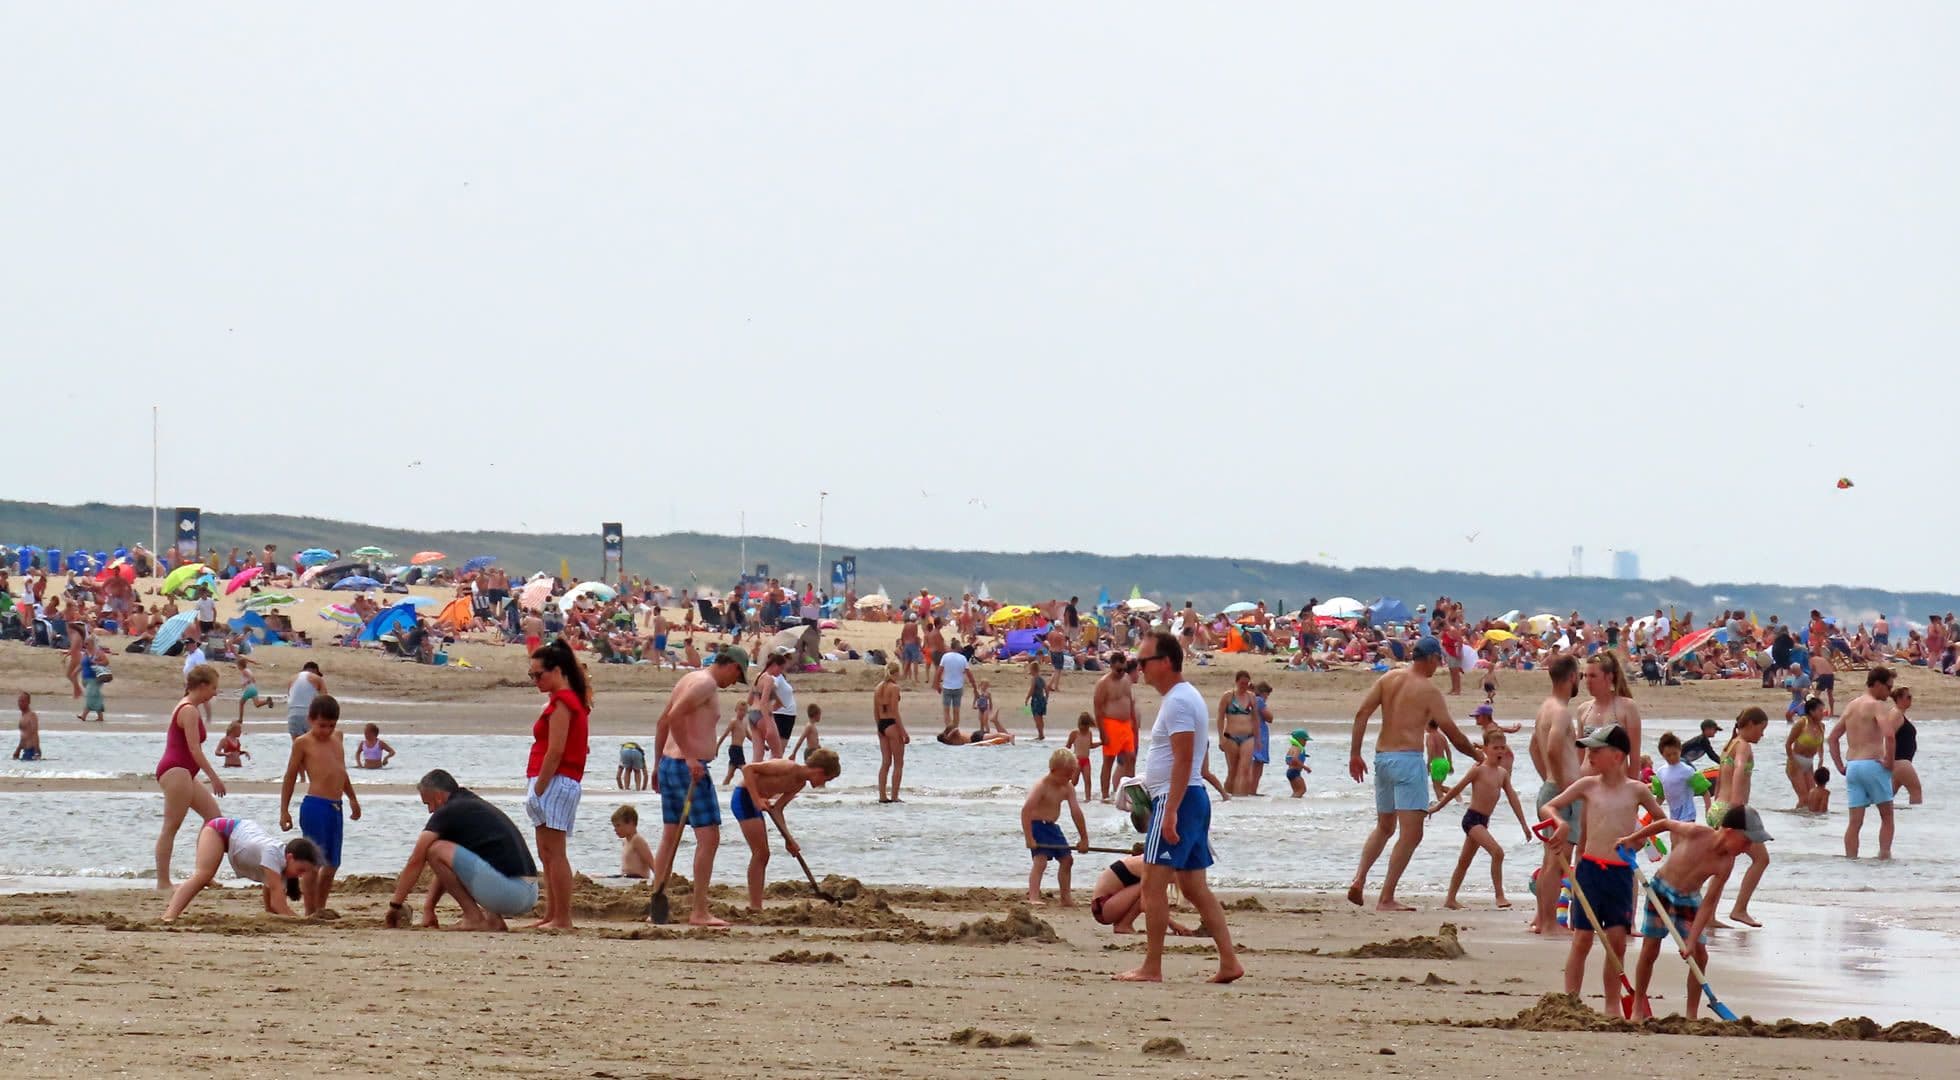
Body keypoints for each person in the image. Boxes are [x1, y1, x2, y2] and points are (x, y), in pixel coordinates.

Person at [1113, 630, 1242, 985]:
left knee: (1152, 887)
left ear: (1166, 662)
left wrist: (1168, 811)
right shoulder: (1182, 698)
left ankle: (1151, 967)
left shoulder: (1179, 701)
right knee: (1194, 888)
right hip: (1189, 799)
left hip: (1179, 801)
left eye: (1143, 662)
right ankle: (1229, 961)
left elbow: (1185, 760)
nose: (1139, 670)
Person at [1540, 725, 1666, 1018]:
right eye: (1589, 750)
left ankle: (1611, 1006)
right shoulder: (1588, 785)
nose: (1590, 755)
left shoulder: (1637, 789)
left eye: (1597, 750)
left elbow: (1661, 821)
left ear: (1618, 755)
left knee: (1617, 943)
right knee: (1582, 939)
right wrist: (1559, 824)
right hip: (1590, 871)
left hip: (1620, 875)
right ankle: (1570, 1003)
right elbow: (1550, 806)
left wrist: (1639, 838)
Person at [1347, 637, 1479, 912]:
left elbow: (1362, 714)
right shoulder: (1428, 691)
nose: (1439, 665)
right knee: (1412, 833)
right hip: (1407, 760)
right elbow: (1452, 733)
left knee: (1384, 826)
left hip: (1382, 758)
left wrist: (1355, 754)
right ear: (1430, 658)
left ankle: (1359, 878)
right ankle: (1386, 897)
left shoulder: (1388, 679)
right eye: (1439, 660)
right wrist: (1479, 756)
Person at [1614, 808, 1752, 1020]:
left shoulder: (1726, 863)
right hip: (1660, 890)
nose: (1748, 848)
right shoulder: (1696, 832)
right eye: (1746, 841)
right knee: (1650, 949)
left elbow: (1709, 902)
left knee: (1700, 955)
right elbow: (1665, 824)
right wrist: (1631, 838)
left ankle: (1691, 1015)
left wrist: (1691, 941)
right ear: (1731, 832)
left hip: (1689, 900)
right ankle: (1638, 1006)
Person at [649, 651, 748, 928]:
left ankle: (657, 905)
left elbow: (662, 722)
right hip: (687, 768)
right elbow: (674, 716)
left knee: (670, 836)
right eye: (737, 675)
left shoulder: (689, 678)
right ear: (732, 666)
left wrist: (658, 764)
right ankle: (699, 911)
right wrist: (692, 757)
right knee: (709, 838)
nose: (734, 682)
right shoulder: (705, 684)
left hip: (671, 764)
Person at [385, 769, 539, 932]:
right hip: (529, 892)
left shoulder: (449, 811)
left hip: (510, 893)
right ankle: (493, 920)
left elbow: (416, 859)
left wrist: (395, 905)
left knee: (435, 850)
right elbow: (448, 868)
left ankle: (474, 917)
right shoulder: (470, 805)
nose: (430, 810)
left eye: (428, 803)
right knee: (466, 853)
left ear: (438, 796)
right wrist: (429, 908)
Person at [524, 639, 591, 930]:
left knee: (555, 852)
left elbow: (556, 750)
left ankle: (562, 917)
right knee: (546, 853)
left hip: (555, 779)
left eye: (539, 674)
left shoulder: (564, 702)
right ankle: (551, 914)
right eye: (532, 676)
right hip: (550, 778)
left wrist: (539, 787)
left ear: (557, 671)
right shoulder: (560, 700)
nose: (536, 681)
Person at [1428, 728, 1530, 910]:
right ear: (1485, 749)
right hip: (1472, 820)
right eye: (1495, 748)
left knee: (1464, 861)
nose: (1500, 751)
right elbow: (1456, 789)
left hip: (1484, 821)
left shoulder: (1502, 774)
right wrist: (1437, 807)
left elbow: (1513, 799)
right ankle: (1500, 896)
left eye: (1502, 748)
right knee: (1497, 852)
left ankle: (1450, 899)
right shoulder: (1478, 771)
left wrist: (1524, 825)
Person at [278, 694, 360, 915]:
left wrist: (352, 797)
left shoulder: (338, 738)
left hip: (336, 806)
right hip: (315, 806)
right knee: (313, 864)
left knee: (332, 863)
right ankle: (310, 910)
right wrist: (284, 810)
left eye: (331, 726)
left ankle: (320, 908)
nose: (326, 731)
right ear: (310, 720)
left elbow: (341, 771)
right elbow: (290, 776)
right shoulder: (303, 743)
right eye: (322, 725)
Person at [730, 748, 841, 910]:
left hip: (757, 802)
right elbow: (748, 769)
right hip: (744, 797)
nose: (823, 784)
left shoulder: (799, 783)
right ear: (819, 771)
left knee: (762, 854)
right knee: (761, 853)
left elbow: (777, 809)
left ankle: (756, 906)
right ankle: (755, 906)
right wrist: (756, 799)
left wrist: (789, 840)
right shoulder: (788, 767)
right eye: (827, 779)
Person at [161, 818, 322, 922]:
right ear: (290, 857)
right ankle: (169, 916)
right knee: (204, 874)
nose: (300, 875)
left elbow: (272, 905)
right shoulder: (272, 854)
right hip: (219, 830)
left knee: (205, 875)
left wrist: (273, 918)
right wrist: (301, 922)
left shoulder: (283, 867)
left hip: (243, 832)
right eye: (300, 869)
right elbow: (278, 904)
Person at [155, 664, 226, 888]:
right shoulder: (188, 710)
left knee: (213, 817)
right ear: (202, 686)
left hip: (185, 772)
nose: (215, 693)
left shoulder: (191, 707)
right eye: (213, 688)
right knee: (171, 826)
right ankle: (163, 882)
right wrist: (214, 777)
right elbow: (194, 750)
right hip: (175, 770)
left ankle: (203, 874)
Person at [1827, 666, 1900, 861]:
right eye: (1888, 687)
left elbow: (1832, 738)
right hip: (1873, 765)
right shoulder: (1875, 705)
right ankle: (1884, 857)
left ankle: (1851, 860)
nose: (1890, 692)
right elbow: (1890, 735)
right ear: (1877, 684)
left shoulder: (1852, 705)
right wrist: (1890, 762)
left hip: (1853, 766)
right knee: (1887, 816)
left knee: (1854, 822)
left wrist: (1840, 766)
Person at [1710, 708, 1774, 925]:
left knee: (1722, 866)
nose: (1762, 735)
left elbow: (1719, 778)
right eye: (1761, 729)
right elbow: (1738, 770)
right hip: (1731, 810)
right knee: (1761, 859)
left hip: (1718, 807)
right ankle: (1739, 909)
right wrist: (1737, 808)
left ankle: (1708, 915)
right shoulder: (1744, 746)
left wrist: (1715, 807)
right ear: (1750, 725)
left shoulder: (1731, 744)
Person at [1022, 748, 1090, 905]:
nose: (1069, 778)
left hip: (1053, 827)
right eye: (1066, 774)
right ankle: (1033, 896)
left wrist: (1084, 838)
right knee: (1041, 861)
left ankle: (1066, 898)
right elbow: (1026, 811)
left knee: (1067, 859)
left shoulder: (1067, 787)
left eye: (1071, 774)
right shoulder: (1041, 786)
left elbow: (1076, 813)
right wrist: (1029, 837)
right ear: (1053, 770)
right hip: (1037, 826)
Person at [1090, 854, 1199, 936]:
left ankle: (1122, 924)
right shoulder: (1151, 867)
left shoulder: (1156, 862)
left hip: (1110, 905)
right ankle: (1124, 925)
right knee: (1146, 889)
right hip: (1103, 907)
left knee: (1147, 888)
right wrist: (1173, 924)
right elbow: (1146, 904)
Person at [1578, 652, 1643, 780]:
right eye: (1585, 676)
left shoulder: (1627, 707)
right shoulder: (1583, 710)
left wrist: (1632, 792)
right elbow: (1579, 756)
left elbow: (1634, 759)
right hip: (1586, 786)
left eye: (1593, 676)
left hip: (1615, 786)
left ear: (1609, 677)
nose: (1587, 681)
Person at [1094, 654, 1140, 801]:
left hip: (1126, 724)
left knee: (1131, 758)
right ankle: (1105, 794)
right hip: (1111, 723)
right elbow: (1098, 709)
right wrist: (1102, 732)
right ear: (1112, 666)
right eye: (1118, 670)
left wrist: (1134, 725)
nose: (1121, 673)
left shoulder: (1126, 680)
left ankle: (1130, 794)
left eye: (1123, 669)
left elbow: (1130, 703)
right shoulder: (1104, 683)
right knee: (1109, 760)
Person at [1650, 732, 1712, 822]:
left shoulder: (1688, 771)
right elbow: (1660, 796)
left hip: (1688, 814)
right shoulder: (1661, 772)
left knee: (1684, 835)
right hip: (1673, 815)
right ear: (1662, 755)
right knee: (1674, 836)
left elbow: (1705, 792)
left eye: (1675, 753)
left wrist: (1708, 810)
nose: (1672, 757)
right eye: (1668, 755)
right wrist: (1652, 815)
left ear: (1680, 750)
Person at [1217, 670, 1258, 797]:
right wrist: (1221, 738)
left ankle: (1241, 800)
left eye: (1246, 683)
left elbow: (1255, 719)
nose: (1244, 686)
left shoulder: (1251, 697)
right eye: (1241, 683)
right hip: (1231, 737)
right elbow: (1220, 718)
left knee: (1244, 769)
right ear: (1236, 682)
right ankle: (1228, 796)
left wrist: (1258, 738)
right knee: (1233, 770)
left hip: (1248, 737)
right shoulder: (1228, 696)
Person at [873, 660, 908, 803]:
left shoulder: (878, 687)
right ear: (895, 673)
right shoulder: (894, 688)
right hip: (892, 725)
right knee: (898, 763)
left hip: (881, 724)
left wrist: (879, 728)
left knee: (885, 762)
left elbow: (875, 711)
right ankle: (894, 796)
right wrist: (903, 732)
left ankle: (882, 796)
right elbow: (894, 711)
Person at [1786, 697, 1827, 808]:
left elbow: (1821, 745)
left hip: (1809, 764)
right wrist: (1792, 761)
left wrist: (1821, 759)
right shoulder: (1801, 723)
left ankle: (1808, 823)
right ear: (1811, 711)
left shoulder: (1821, 726)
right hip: (1796, 761)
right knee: (1804, 798)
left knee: (1811, 798)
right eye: (1820, 711)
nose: (1823, 713)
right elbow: (1788, 744)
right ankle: (1797, 822)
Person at [1889, 684, 1922, 805]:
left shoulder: (1898, 714)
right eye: (1908, 697)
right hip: (1900, 761)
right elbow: (1888, 736)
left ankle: (1872, 813)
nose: (1910, 699)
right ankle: (1917, 819)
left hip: (1899, 762)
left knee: (1887, 795)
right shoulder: (1896, 714)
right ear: (1899, 698)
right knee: (1916, 791)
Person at [612, 804, 657, 881]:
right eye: (614, 826)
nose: (615, 829)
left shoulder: (637, 840)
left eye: (618, 825)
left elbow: (651, 863)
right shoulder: (625, 841)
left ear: (631, 823)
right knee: (597, 876)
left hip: (637, 878)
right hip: (626, 877)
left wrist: (659, 879)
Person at [936, 642, 972, 732]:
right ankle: (955, 729)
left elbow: (939, 671)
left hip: (947, 686)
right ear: (958, 648)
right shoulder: (962, 658)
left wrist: (937, 684)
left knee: (946, 710)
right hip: (958, 687)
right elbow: (968, 673)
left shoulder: (945, 656)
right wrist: (974, 685)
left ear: (951, 647)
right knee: (956, 710)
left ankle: (949, 728)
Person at [1066, 713, 1099, 801]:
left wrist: (1100, 743)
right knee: (1074, 781)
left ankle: (1088, 798)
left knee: (1087, 780)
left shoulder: (1089, 733)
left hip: (1086, 760)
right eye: (1082, 727)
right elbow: (1068, 746)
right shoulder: (1074, 733)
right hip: (1076, 760)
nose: (1083, 729)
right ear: (1079, 724)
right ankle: (1066, 795)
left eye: (1086, 727)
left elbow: (1090, 745)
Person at [234, 655, 272, 724]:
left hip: (249, 689)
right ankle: (267, 701)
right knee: (257, 704)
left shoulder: (244, 671)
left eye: (238, 665)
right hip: (254, 689)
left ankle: (240, 719)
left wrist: (246, 682)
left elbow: (251, 677)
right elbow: (253, 679)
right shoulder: (248, 670)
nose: (237, 667)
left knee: (241, 703)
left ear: (240, 666)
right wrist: (251, 681)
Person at [76, 643, 108, 722]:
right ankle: (100, 717)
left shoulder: (98, 653)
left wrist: (96, 662)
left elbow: (106, 662)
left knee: (90, 696)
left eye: (87, 644)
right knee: (95, 697)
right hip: (86, 679)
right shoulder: (85, 654)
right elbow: (82, 665)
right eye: (85, 644)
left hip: (95, 679)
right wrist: (75, 673)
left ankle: (84, 715)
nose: (85, 646)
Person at [1024, 658, 1049, 740]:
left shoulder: (1034, 679)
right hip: (1042, 700)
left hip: (1036, 700)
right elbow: (1046, 689)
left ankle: (1040, 735)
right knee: (1041, 718)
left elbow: (1032, 690)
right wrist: (1046, 698)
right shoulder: (1041, 679)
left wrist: (1027, 698)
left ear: (1033, 670)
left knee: (1037, 718)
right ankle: (1042, 733)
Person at [13, 691, 40, 761]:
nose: (20, 703)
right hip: (25, 751)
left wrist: (36, 752)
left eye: (22, 701)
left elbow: (35, 733)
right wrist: (18, 750)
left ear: (28, 702)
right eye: (19, 701)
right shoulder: (23, 716)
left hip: (32, 751)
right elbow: (24, 736)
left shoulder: (32, 716)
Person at [1284, 729, 1311, 797]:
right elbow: (1295, 759)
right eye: (1305, 740)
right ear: (1299, 740)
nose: (1305, 742)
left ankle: (1292, 803)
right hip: (1294, 772)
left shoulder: (1292, 748)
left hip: (1290, 772)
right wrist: (1305, 767)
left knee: (1297, 791)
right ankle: (1292, 803)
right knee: (1302, 790)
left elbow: (1287, 760)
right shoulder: (1298, 748)